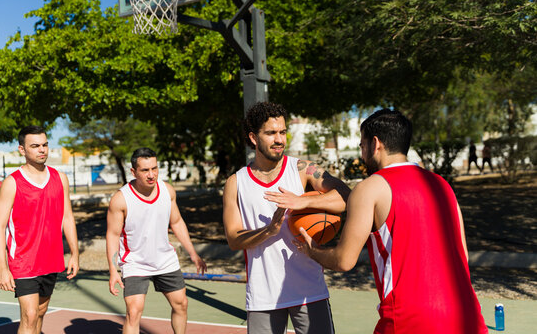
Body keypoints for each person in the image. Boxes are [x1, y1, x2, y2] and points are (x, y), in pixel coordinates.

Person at [294, 109, 488, 334]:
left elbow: (343, 260)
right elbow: (462, 255)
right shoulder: (442, 186)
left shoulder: (369, 188)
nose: (362, 152)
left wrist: (313, 250)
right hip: (467, 315)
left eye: (362, 145)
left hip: (409, 319)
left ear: (375, 144)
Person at [223, 102, 351, 334]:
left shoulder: (302, 169)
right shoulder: (236, 183)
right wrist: (268, 230)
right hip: (263, 295)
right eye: (271, 133)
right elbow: (233, 238)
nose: (279, 139)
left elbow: (346, 197)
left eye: (282, 132)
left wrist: (304, 201)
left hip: (309, 291)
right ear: (253, 137)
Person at [106, 147, 207, 334]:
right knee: (133, 312)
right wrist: (113, 270)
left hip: (165, 259)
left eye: (154, 168)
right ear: (133, 172)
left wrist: (193, 254)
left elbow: (176, 222)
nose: (151, 174)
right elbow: (112, 235)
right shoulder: (121, 199)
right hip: (135, 262)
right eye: (145, 170)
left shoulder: (167, 190)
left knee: (181, 304)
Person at [0, 125, 79, 334]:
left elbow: (67, 217)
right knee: (30, 315)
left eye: (44, 145)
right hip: (23, 261)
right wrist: (2, 268)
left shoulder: (60, 178)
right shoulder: (12, 183)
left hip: (51, 259)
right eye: (35, 146)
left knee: (40, 312)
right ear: (22, 150)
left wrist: (75, 254)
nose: (42, 150)